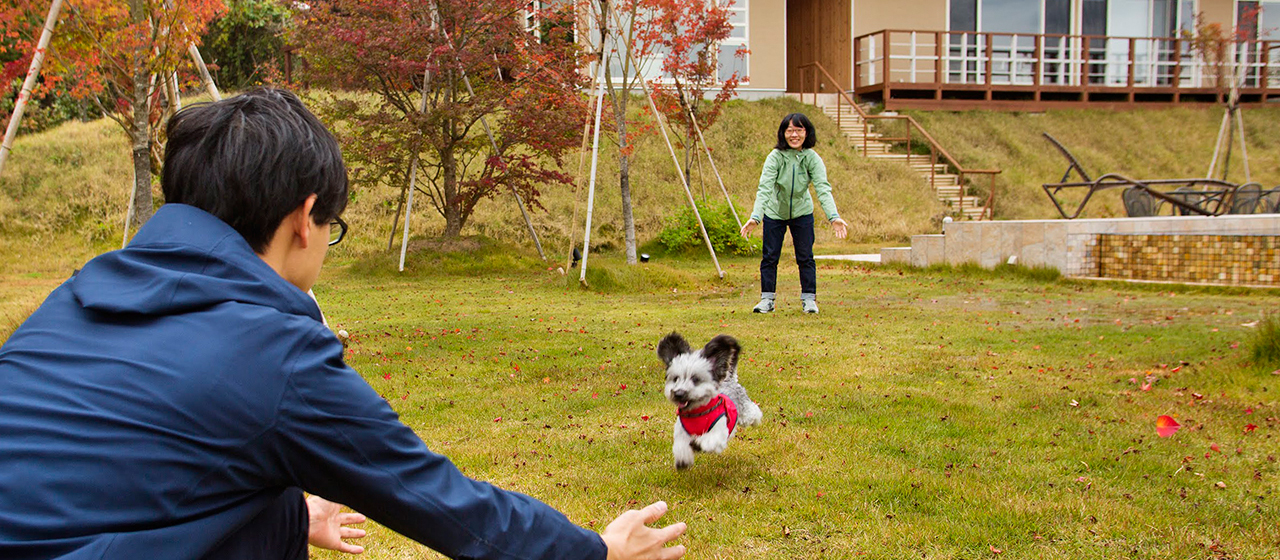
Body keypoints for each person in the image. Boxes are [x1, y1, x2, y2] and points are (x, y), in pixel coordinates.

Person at [0, 88, 686, 560]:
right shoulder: (273, 355)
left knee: (271, 507)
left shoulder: (71, 302)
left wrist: (294, 515)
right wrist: (595, 549)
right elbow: (441, 501)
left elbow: (114, 474)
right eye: (334, 225)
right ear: (305, 219)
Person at [739, 112, 848, 315]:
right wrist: (756, 217)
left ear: (806, 132)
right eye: (790, 130)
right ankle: (767, 300)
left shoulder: (811, 158)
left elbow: (823, 188)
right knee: (770, 257)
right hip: (774, 212)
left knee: (805, 257)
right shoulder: (775, 157)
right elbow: (764, 188)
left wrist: (834, 217)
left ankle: (809, 300)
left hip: (802, 212)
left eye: (799, 130)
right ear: (783, 133)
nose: (794, 135)